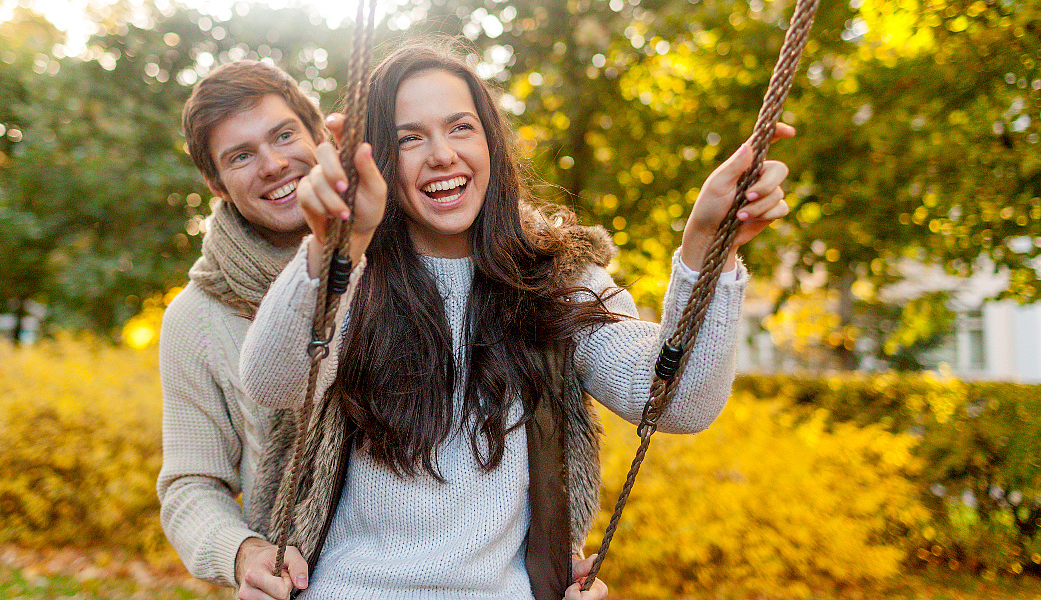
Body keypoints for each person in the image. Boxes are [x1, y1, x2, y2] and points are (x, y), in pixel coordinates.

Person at [239, 39, 794, 599]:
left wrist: (706, 245)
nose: (442, 154)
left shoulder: (555, 279)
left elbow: (677, 400)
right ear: (378, 160)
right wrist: (338, 247)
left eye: (461, 128)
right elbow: (273, 381)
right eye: (410, 138)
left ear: (491, 142)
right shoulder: (355, 274)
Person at [156, 59, 325, 593]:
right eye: (242, 156)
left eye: (284, 135)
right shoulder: (197, 316)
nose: (274, 164)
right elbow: (191, 484)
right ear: (216, 183)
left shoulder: (410, 253)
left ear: (318, 134)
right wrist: (241, 551)